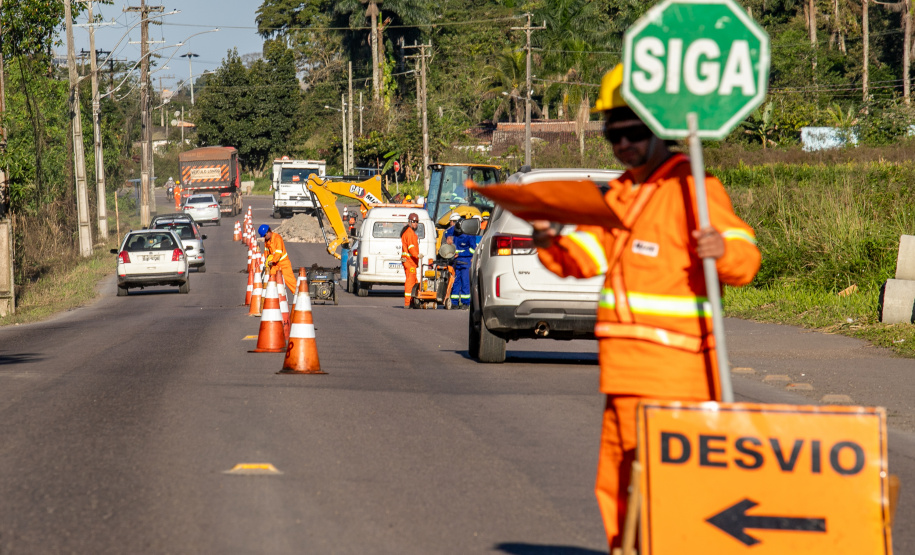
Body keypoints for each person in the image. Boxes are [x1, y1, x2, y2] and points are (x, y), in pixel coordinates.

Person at [531, 64, 761, 551]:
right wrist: (550, 239)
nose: (623, 144)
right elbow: (584, 257)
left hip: (678, 376)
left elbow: (745, 258)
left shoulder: (693, 185)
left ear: (660, 130)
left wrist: (722, 250)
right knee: (615, 489)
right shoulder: (621, 192)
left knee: (669, 492)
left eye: (633, 131)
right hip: (621, 375)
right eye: (613, 133)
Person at [259, 224, 297, 292]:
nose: (264, 237)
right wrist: (266, 261)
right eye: (263, 236)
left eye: (265, 235)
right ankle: (273, 298)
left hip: (283, 263)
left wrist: (272, 261)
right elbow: (266, 252)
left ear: (269, 232)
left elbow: (278, 253)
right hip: (274, 265)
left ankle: (299, 296)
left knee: (290, 281)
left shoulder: (277, 238)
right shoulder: (266, 241)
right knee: (271, 280)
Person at [451, 218, 476, 309]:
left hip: (465, 262)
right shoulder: (456, 233)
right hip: (456, 262)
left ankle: (466, 303)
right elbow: (448, 233)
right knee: (455, 282)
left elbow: (473, 250)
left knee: (465, 283)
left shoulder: (470, 235)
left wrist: (460, 253)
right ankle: (454, 302)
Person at [400, 213, 421, 308]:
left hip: (410, 262)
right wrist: (417, 255)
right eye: (413, 222)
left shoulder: (409, 232)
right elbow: (411, 248)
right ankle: (408, 303)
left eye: (416, 222)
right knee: (410, 282)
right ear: (409, 222)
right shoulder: (410, 233)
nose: (415, 223)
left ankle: (413, 301)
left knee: (415, 281)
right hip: (409, 262)